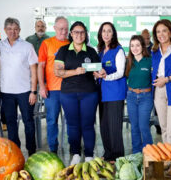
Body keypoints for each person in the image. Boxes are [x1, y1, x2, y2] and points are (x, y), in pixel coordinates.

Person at [54, 21, 100, 165]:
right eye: (76, 32)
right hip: (68, 94)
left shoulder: (91, 51)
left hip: (89, 93)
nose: (79, 35)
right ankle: (75, 153)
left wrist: (100, 73)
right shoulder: (63, 50)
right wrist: (75, 71)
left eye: (82, 32)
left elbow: (96, 71)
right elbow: (57, 72)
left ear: (85, 34)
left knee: (88, 124)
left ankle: (89, 155)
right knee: (73, 125)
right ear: (71, 34)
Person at [0, 17, 38, 155]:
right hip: (6, 92)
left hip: (25, 91)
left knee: (28, 121)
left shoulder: (27, 46)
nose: (12, 32)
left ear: (19, 30)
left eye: (15, 29)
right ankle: (15, 152)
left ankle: (31, 151)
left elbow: (34, 69)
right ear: (5, 30)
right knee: (10, 123)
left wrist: (33, 91)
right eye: (9, 29)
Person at [95, 22, 127, 161]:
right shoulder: (101, 51)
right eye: (104, 31)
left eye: (109, 31)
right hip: (102, 94)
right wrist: (96, 74)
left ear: (113, 34)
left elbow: (120, 72)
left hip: (115, 93)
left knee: (114, 126)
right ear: (100, 34)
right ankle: (108, 154)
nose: (106, 34)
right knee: (104, 125)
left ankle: (118, 155)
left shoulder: (118, 50)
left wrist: (106, 76)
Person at [38, 16, 70, 154]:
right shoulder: (47, 43)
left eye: (66, 29)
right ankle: (53, 148)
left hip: (70, 89)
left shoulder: (72, 43)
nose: (64, 31)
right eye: (61, 28)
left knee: (72, 120)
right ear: (55, 28)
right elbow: (40, 66)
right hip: (52, 90)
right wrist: (42, 86)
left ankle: (74, 147)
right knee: (52, 120)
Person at [125, 35, 154, 154]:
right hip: (131, 96)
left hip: (145, 97)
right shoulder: (128, 61)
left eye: (137, 45)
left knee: (143, 127)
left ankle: (149, 154)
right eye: (132, 46)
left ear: (143, 46)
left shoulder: (150, 61)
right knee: (134, 128)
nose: (135, 48)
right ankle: (136, 154)